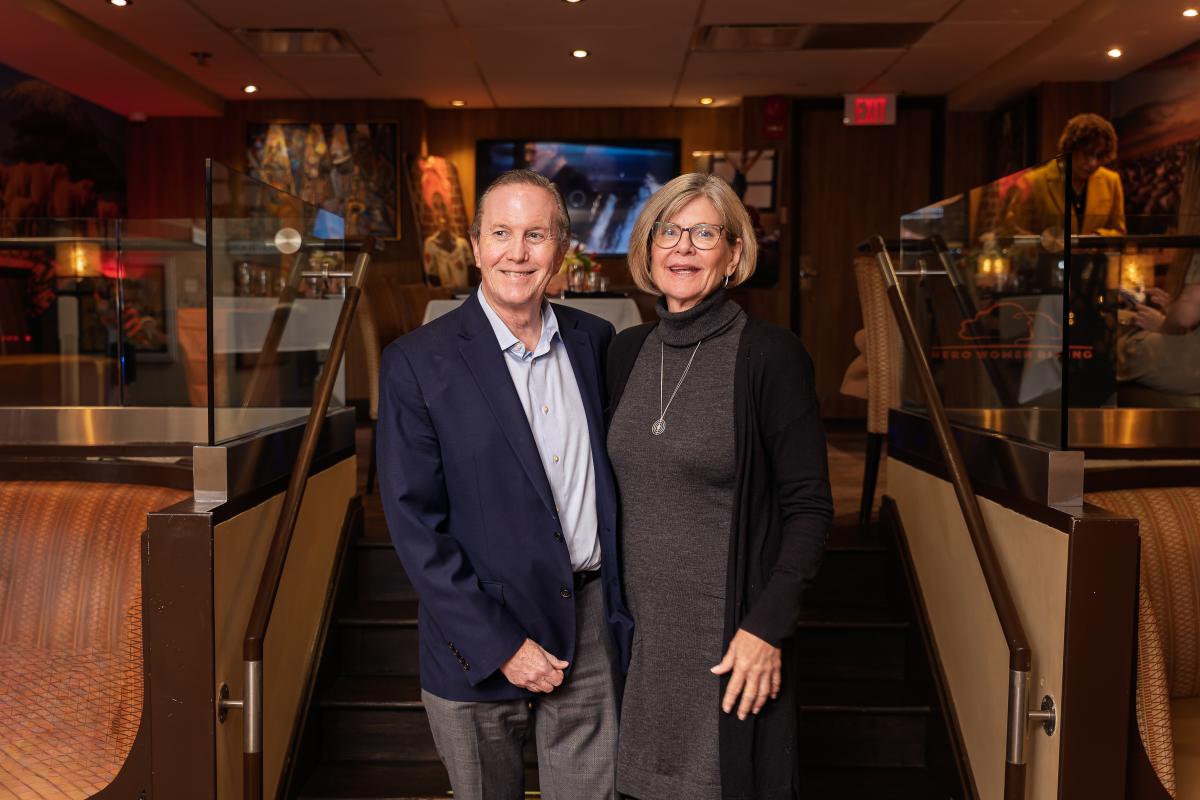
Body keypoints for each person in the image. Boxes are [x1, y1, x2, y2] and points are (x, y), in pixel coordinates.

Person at [377, 169, 633, 799]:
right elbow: (414, 526)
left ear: (561, 249)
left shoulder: (595, 342)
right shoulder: (417, 361)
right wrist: (501, 645)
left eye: (536, 235)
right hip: (475, 635)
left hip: (588, 624)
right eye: (500, 233)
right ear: (475, 246)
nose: (517, 253)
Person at [605, 173, 833, 800]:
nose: (683, 248)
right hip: (639, 640)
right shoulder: (625, 353)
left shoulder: (770, 356)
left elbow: (810, 507)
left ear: (734, 254)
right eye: (669, 232)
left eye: (705, 234)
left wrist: (767, 627)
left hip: (729, 641)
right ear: (648, 247)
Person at [1004, 112, 1126, 237]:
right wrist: (1046, 243)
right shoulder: (1033, 181)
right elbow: (1012, 232)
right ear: (1070, 148)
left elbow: (1119, 232)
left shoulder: (1111, 181)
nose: (1093, 163)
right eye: (1086, 153)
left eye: (1099, 156)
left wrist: (1097, 237)